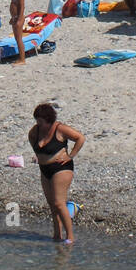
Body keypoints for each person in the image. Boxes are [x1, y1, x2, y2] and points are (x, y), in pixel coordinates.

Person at [29, 103, 84, 244]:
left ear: (48, 120)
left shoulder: (60, 129)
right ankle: (57, 235)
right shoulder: (34, 132)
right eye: (37, 121)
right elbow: (35, 147)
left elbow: (80, 138)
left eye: (41, 121)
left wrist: (71, 155)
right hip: (44, 169)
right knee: (52, 204)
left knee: (59, 203)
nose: (38, 124)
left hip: (61, 168)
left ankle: (70, 237)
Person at [9, 0, 32, 65]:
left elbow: (22, 7)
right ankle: (20, 57)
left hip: (18, 18)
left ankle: (22, 59)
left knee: (19, 39)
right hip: (15, 17)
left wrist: (18, 19)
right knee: (16, 38)